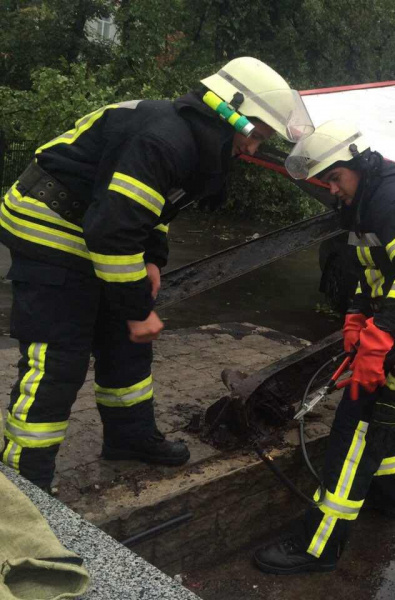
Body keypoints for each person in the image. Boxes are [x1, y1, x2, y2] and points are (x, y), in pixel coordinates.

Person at [0, 56, 314, 491]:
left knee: (126, 343)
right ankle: (25, 482)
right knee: (60, 356)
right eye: (256, 136)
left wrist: (153, 261)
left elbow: (154, 211)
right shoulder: (164, 139)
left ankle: (129, 437)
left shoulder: (194, 143)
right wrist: (135, 310)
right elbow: (112, 233)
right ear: (231, 112)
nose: (254, 149)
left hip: (96, 225)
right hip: (50, 224)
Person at [253, 119, 395, 574]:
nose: (332, 189)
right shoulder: (365, 201)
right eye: (325, 181)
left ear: (360, 162)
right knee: (384, 420)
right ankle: (392, 500)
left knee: (357, 428)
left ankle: (320, 545)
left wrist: (378, 338)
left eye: (335, 178)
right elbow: (369, 270)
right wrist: (356, 316)